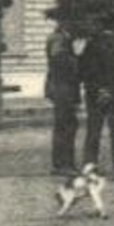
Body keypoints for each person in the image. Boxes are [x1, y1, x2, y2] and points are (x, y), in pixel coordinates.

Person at [78, 32, 114, 180]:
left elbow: (84, 70)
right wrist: (112, 90)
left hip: (94, 95)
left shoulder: (91, 45)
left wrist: (99, 89)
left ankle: (89, 169)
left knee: (93, 133)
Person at [44, 30, 81, 174]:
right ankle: (63, 164)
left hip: (63, 87)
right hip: (62, 87)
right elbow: (58, 59)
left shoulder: (61, 37)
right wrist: (76, 59)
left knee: (66, 124)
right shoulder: (59, 39)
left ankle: (62, 163)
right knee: (66, 125)